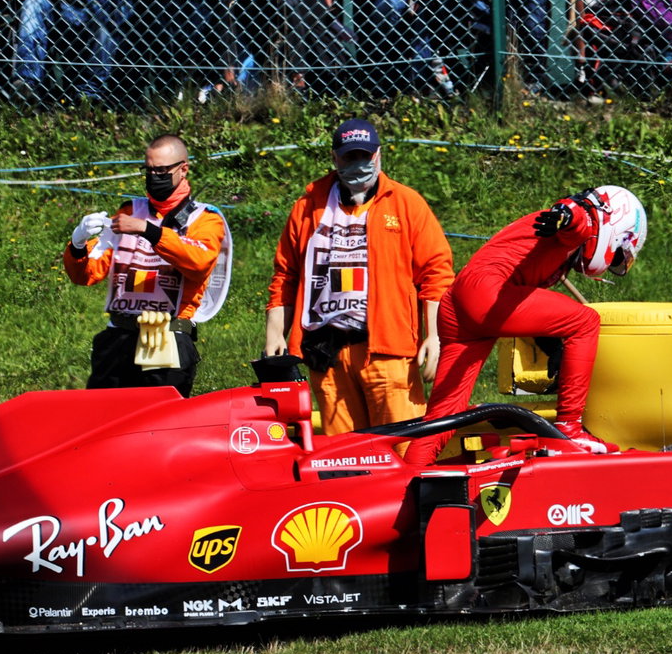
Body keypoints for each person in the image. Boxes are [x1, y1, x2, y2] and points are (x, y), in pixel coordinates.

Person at [405, 185, 646, 463]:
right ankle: (570, 427)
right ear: (615, 223)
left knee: (444, 415)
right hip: (487, 293)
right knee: (586, 322)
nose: (613, 257)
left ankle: (407, 480)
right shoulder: (581, 222)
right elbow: (576, 217)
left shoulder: (561, 241)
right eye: (617, 252)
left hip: (458, 301)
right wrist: (566, 214)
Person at [264, 118, 454, 435]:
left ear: (378, 155)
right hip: (326, 352)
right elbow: (286, 274)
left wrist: (434, 335)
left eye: (365, 156)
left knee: (402, 450)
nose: (359, 165)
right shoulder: (308, 208)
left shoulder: (407, 204)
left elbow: (436, 273)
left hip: (388, 351)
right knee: (343, 460)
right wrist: (275, 334)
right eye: (350, 157)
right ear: (334, 158)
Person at [63, 133, 231, 395]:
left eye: (162, 170)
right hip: (118, 337)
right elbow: (87, 275)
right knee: (102, 422)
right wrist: (78, 242)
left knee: (158, 427)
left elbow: (199, 262)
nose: (154, 177)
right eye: (149, 170)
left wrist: (148, 230)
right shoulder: (129, 211)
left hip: (168, 337)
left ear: (183, 169)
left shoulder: (205, 219)